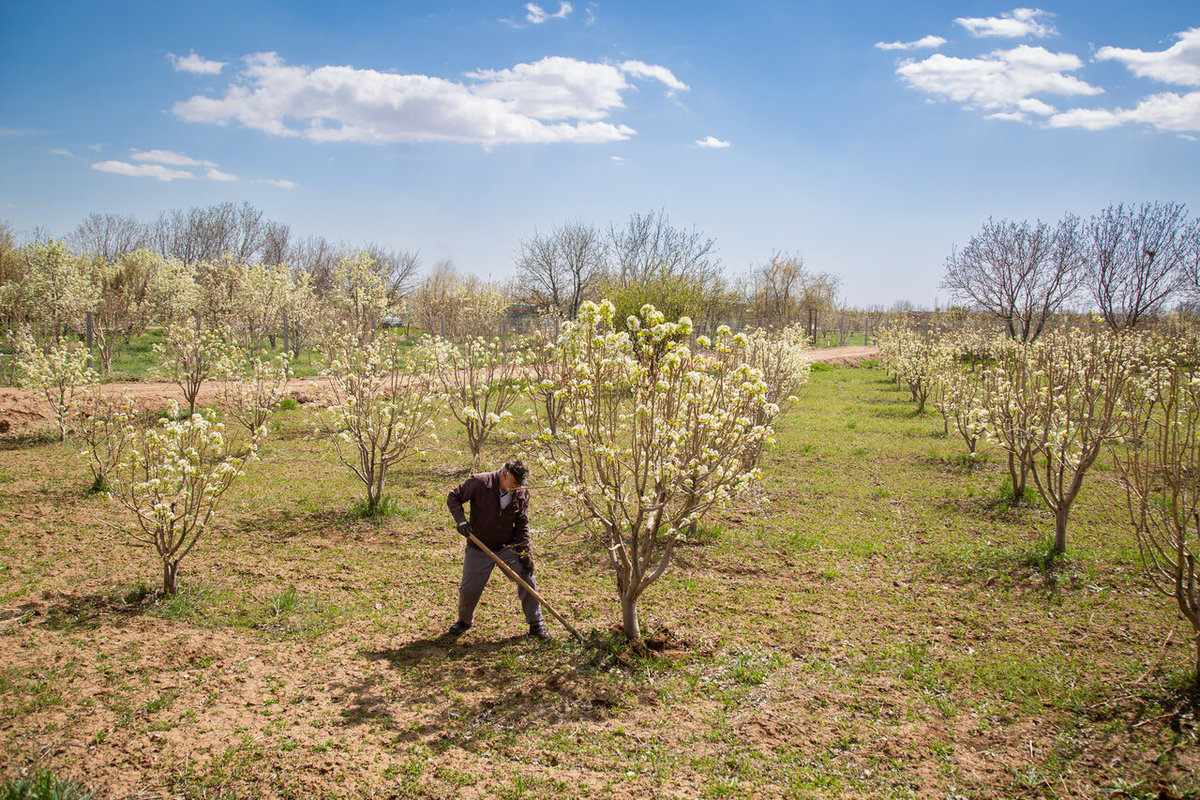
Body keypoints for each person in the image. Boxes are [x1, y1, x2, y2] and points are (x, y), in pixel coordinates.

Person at [446, 458, 549, 640]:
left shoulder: (521, 493)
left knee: (527, 579)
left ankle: (536, 624)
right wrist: (461, 521)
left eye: (520, 484)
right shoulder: (479, 482)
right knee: (469, 589)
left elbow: (522, 524)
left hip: (506, 546)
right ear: (504, 475)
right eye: (515, 483)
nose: (517, 487)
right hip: (479, 545)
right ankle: (464, 620)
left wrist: (525, 554)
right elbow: (454, 497)